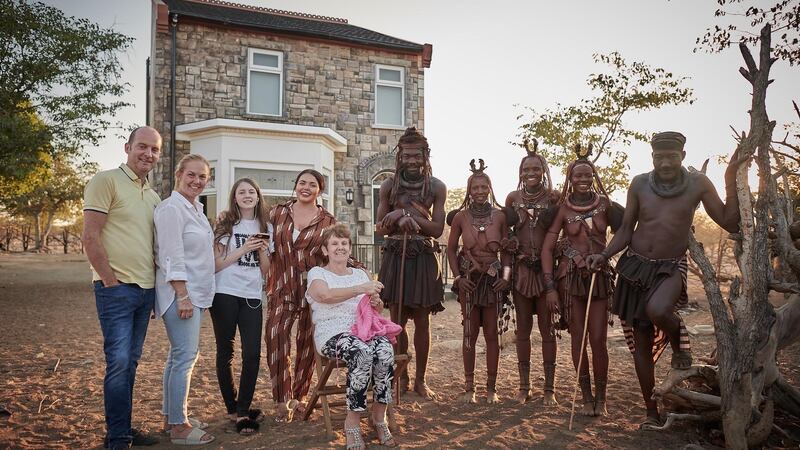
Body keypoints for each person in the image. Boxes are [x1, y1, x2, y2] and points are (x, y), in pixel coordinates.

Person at [586, 131, 742, 427]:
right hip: (635, 266)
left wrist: (731, 178)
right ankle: (650, 411)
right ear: (652, 158)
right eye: (659, 157)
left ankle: (680, 344)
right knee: (641, 343)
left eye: (671, 156)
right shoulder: (640, 183)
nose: (665, 162)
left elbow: (728, 220)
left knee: (658, 310)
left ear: (683, 156)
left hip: (670, 266)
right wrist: (604, 255)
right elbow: (626, 229)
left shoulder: (698, 184)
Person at [83, 126, 163, 449]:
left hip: (145, 292)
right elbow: (90, 236)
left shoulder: (155, 196)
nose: (148, 154)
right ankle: (118, 438)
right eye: (142, 146)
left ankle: (122, 429)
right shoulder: (105, 181)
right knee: (117, 363)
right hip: (116, 290)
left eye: (155, 150)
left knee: (130, 363)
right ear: (127, 147)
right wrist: (109, 280)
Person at [541, 144, 622, 417]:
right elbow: (547, 249)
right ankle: (585, 396)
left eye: (588, 175)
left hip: (599, 278)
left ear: (594, 176)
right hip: (571, 280)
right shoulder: (563, 210)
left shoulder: (606, 205)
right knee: (579, 339)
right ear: (570, 179)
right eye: (578, 175)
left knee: (598, 339)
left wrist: (608, 256)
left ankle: (602, 398)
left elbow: (624, 236)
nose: (583, 179)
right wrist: (550, 286)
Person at [306, 224, 397, 450]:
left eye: (344, 243)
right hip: (332, 333)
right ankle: (352, 422)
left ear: (349, 248)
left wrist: (377, 302)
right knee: (362, 353)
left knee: (386, 351)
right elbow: (324, 295)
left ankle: (379, 417)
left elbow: (376, 309)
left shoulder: (360, 273)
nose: (340, 247)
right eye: (334, 243)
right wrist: (360, 289)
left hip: (363, 330)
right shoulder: (317, 273)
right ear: (325, 250)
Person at [375, 127, 447, 399]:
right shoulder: (388, 186)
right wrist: (397, 214)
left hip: (423, 258)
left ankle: (421, 380)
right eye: (407, 156)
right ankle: (401, 377)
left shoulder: (437, 187)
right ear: (399, 157)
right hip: (395, 256)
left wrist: (410, 217)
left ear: (426, 156)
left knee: (422, 321)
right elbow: (381, 227)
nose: (412, 161)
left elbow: (437, 228)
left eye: (417, 156)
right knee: (396, 321)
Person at [264, 168, 336, 421]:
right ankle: (281, 400)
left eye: (312, 184)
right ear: (295, 186)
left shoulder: (328, 221)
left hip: (312, 289)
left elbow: (338, 251)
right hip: (282, 286)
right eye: (302, 182)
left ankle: (299, 397)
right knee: (275, 335)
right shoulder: (277, 212)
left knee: (306, 344)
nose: (306, 187)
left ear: (320, 190)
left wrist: (361, 275)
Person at [154, 154, 215, 445]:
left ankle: (170, 418)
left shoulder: (197, 210)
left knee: (177, 356)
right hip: (181, 295)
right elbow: (171, 255)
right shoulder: (170, 209)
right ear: (179, 174)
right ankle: (179, 427)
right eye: (191, 175)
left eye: (202, 177)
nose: (197, 181)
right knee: (185, 358)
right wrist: (183, 295)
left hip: (196, 295)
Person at [446, 159, 512, 404]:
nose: (480, 191)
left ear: (490, 188)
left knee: (493, 334)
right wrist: (459, 278)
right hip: (470, 281)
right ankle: (469, 388)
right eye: (475, 187)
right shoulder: (461, 217)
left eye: (484, 187)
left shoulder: (500, 216)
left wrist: (506, 278)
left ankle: (492, 389)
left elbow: (506, 252)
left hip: (494, 281)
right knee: (469, 333)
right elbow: (451, 250)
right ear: (469, 190)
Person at [210, 178, 271, 434]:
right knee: (226, 352)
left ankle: (244, 410)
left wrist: (261, 252)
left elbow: (266, 271)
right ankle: (233, 409)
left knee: (252, 354)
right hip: (224, 293)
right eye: (241, 192)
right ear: (234, 197)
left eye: (251, 192)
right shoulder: (225, 223)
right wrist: (244, 247)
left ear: (257, 197)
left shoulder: (266, 226)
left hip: (251, 296)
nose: (247, 195)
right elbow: (216, 264)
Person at [504, 139, 561, 405]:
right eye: (526, 169)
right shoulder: (512, 199)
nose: (531, 174)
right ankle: (524, 387)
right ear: (520, 172)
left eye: (536, 169)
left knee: (548, 330)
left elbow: (565, 231)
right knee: (523, 330)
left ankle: (549, 389)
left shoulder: (554, 197)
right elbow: (505, 239)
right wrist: (506, 275)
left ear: (544, 170)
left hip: (547, 272)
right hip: (521, 272)